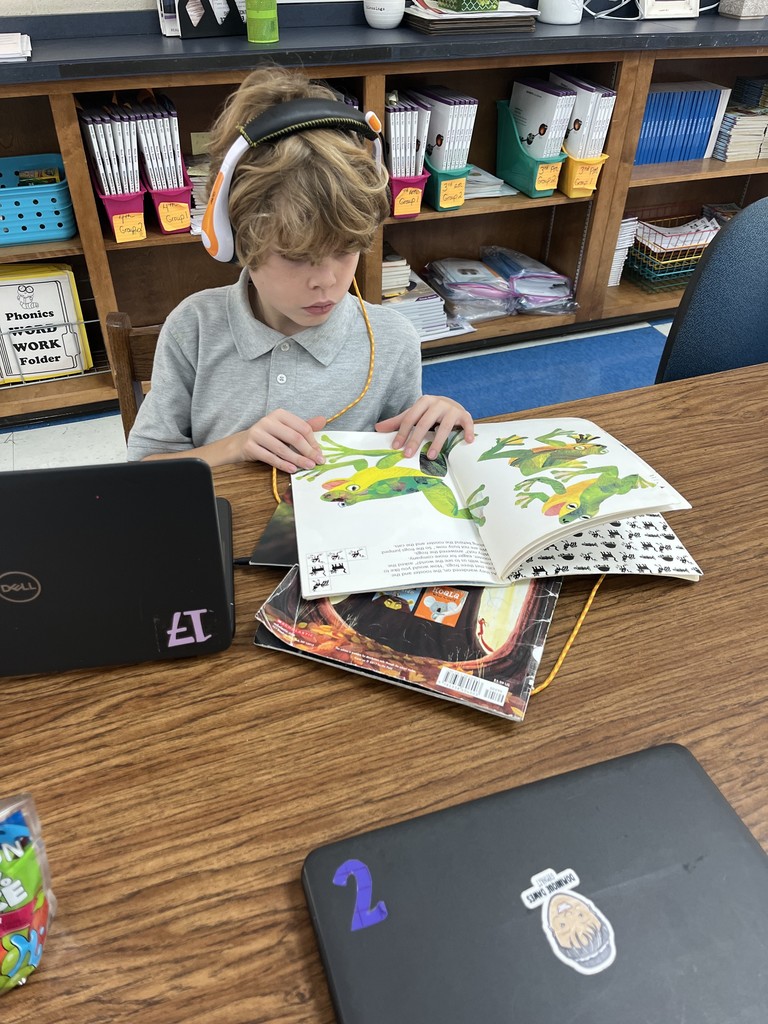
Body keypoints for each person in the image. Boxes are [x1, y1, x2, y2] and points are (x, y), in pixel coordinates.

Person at [126, 66, 474, 473]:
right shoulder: (194, 328)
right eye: (295, 255)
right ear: (232, 237)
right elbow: (144, 470)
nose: (325, 280)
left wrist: (433, 422)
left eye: (345, 250)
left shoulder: (393, 340)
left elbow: (401, 458)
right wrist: (236, 446)